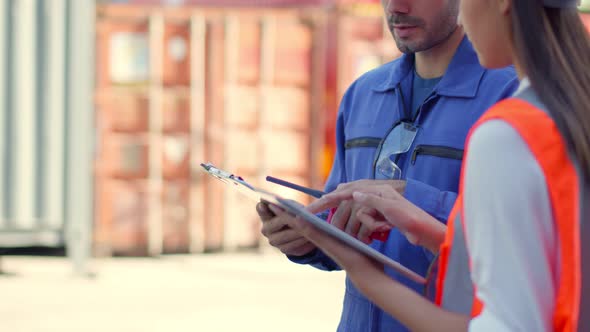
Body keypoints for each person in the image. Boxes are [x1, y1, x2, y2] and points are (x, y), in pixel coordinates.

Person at [296, 0, 590, 330]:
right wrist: (425, 229)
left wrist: (365, 274)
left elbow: (506, 321)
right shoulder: (569, 108)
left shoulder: (509, 130)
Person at [256, 0, 518, 331]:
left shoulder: (510, 96)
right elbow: (340, 219)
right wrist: (309, 238)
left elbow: (523, 238)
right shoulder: (362, 94)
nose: (396, 6)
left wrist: (412, 200)